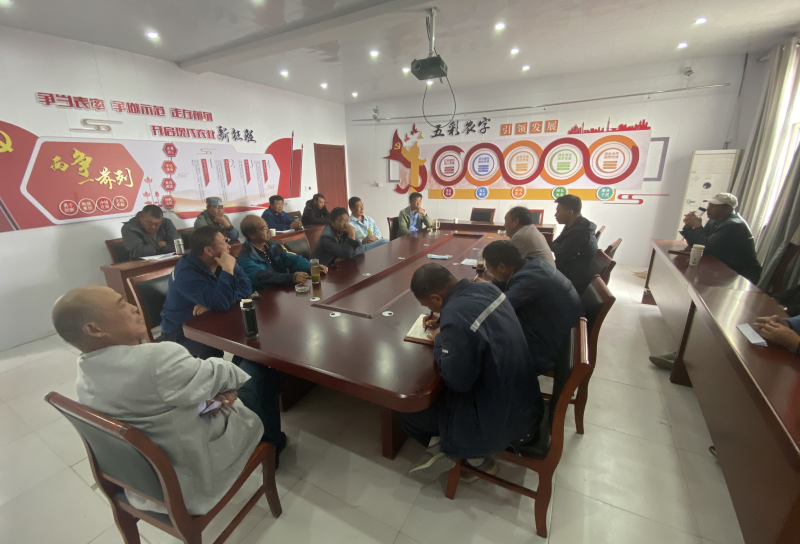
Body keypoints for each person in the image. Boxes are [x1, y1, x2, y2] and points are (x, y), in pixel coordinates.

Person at [51, 285, 266, 515]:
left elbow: (164, 398)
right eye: (122, 305)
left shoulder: (85, 374)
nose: (134, 308)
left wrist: (208, 392)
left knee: (219, 387)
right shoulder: (156, 360)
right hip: (193, 474)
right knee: (259, 368)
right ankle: (274, 442)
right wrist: (217, 389)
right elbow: (225, 375)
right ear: (95, 329)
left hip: (148, 479)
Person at [403, 264, 544, 481]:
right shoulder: (488, 289)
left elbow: (457, 381)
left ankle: (465, 455)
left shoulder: (455, 318)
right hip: (526, 402)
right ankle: (452, 450)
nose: (431, 310)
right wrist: (444, 321)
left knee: (411, 414)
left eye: (428, 305)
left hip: (500, 421)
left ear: (436, 298)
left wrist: (440, 340)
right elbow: (477, 321)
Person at [159, 225, 285, 456]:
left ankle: (244, 393)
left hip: (213, 322)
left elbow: (246, 288)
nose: (228, 245)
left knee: (251, 357)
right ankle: (220, 416)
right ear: (209, 250)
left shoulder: (222, 261)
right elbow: (221, 300)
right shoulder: (187, 272)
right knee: (228, 369)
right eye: (224, 242)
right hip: (183, 333)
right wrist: (224, 283)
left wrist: (217, 301)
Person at [475, 241, 583, 375]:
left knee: (485, 344)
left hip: (552, 347)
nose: (489, 273)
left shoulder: (530, 280)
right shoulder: (532, 263)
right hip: (560, 331)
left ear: (501, 267)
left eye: (489, 268)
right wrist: (487, 286)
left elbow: (498, 308)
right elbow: (507, 283)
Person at [681, 193, 761, 284]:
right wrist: (689, 226)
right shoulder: (713, 221)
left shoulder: (734, 224)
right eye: (709, 205)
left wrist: (698, 226)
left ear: (727, 209)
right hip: (721, 267)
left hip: (739, 274)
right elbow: (697, 243)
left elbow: (705, 247)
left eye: (714, 206)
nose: (708, 209)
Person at [238, 215, 327, 289]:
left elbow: (292, 259)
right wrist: (291, 278)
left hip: (281, 289)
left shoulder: (273, 245)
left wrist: (311, 267)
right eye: (263, 228)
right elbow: (263, 277)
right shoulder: (245, 257)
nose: (268, 230)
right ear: (252, 235)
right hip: (263, 295)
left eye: (267, 226)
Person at [551, 194, 598, 293]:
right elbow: (555, 243)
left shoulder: (579, 231)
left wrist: (560, 249)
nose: (555, 215)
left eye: (558, 211)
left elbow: (561, 255)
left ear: (569, 212)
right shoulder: (573, 225)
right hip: (571, 270)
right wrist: (561, 248)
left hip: (575, 280)